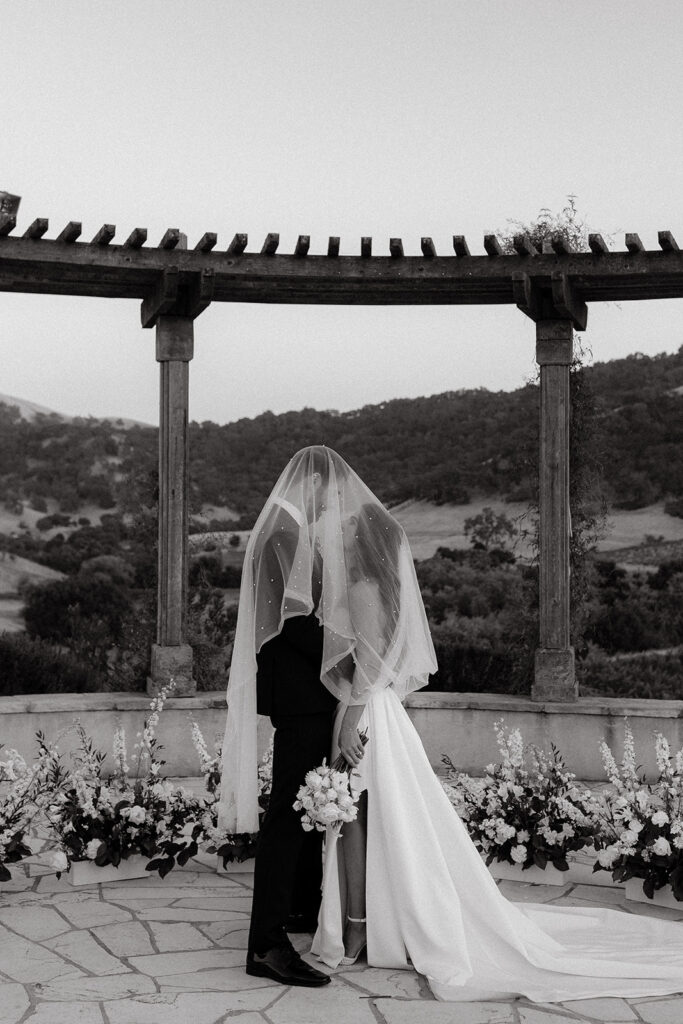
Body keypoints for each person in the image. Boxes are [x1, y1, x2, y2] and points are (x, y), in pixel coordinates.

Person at [223, 446, 683, 1003]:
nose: (331, 509)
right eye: (329, 495)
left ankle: (313, 912)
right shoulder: (283, 534)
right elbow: (295, 625)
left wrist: (353, 673)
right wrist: (344, 662)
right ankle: (267, 942)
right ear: (315, 485)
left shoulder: (293, 536)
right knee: (296, 816)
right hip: (308, 700)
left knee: (321, 810)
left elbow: (328, 627)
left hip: (335, 700)